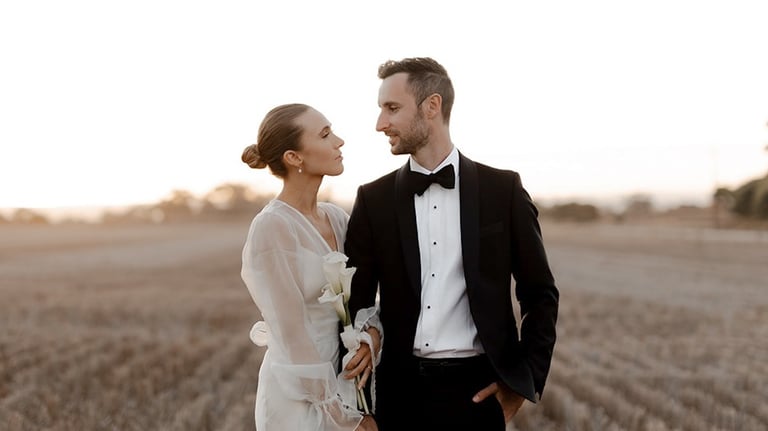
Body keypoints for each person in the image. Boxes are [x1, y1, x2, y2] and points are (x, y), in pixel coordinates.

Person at [345, 57, 559, 430]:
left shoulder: (503, 190)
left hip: (477, 394)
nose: (380, 124)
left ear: (432, 106)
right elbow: (354, 306)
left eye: (392, 108)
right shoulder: (372, 200)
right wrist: (358, 407)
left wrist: (522, 382)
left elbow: (539, 293)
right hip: (396, 397)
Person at [240, 103, 380, 431]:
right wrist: (342, 418)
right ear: (294, 157)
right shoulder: (272, 227)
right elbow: (291, 336)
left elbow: (367, 294)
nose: (339, 141)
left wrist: (373, 333)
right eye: (325, 134)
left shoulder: (338, 218)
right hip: (301, 400)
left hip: (345, 381)